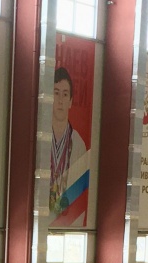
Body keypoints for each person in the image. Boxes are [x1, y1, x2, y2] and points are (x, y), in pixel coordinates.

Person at [50, 68, 88, 223]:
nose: (60, 100)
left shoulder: (78, 143)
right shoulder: (40, 140)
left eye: (65, 94)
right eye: (56, 93)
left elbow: (80, 198)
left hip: (67, 220)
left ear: (71, 101)